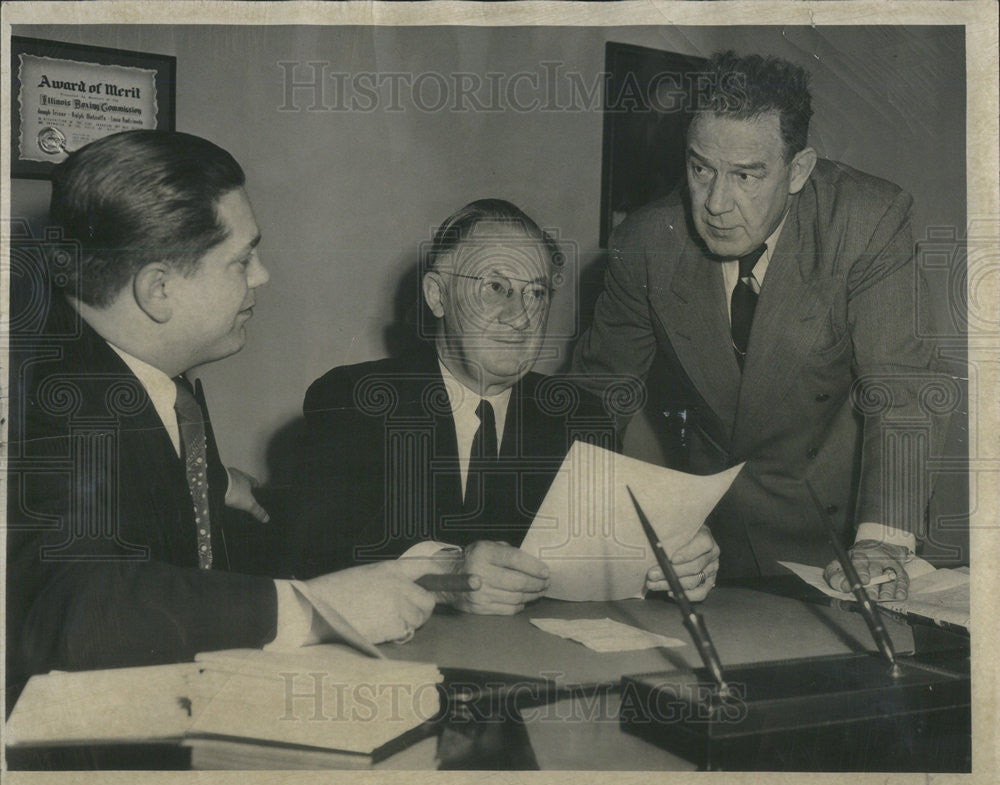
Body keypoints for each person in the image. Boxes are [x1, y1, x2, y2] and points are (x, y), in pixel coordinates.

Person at [5, 130, 436, 694]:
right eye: (241, 259)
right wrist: (314, 609)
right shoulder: (46, 399)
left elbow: (186, 563)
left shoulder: (149, 374)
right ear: (158, 290)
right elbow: (76, 612)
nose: (262, 275)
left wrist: (430, 571)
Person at [573, 52, 944, 601]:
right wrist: (609, 531)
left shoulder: (868, 221)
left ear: (798, 170)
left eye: (747, 175)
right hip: (714, 549)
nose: (717, 204)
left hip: (846, 545)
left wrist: (883, 541)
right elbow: (594, 400)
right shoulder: (645, 244)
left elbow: (902, 390)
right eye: (701, 169)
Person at [294, 199, 719, 614]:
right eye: (496, 288)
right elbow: (321, 559)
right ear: (437, 295)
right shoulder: (354, 399)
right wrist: (448, 579)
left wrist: (678, 558)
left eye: (536, 294)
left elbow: (616, 554)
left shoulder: (578, 417)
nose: (520, 316)